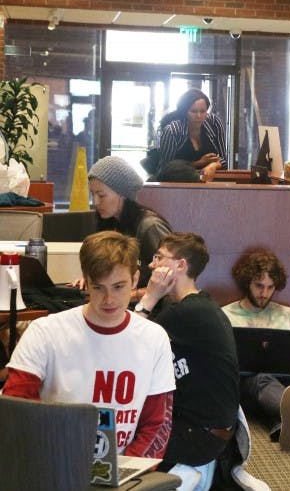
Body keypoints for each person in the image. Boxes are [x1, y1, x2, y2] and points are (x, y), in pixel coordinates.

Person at [3, 231, 175, 458]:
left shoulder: (154, 338)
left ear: (135, 280)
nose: (109, 299)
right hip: (53, 460)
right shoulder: (45, 332)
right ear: (85, 280)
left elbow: (156, 424)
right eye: (98, 287)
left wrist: (125, 471)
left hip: (125, 466)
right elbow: (16, 408)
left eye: (118, 286)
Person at [135, 232, 240, 489]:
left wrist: (150, 296)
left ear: (180, 265)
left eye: (159, 257)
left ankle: (182, 478)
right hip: (203, 427)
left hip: (199, 437)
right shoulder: (191, 307)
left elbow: (127, 345)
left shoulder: (190, 313)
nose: (151, 264)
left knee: (121, 435)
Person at [222, 248, 290, 452]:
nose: (264, 293)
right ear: (246, 282)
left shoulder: (289, 316)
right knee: (262, 378)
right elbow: (220, 368)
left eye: (270, 287)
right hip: (249, 386)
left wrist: (280, 357)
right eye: (259, 286)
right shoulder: (226, 316)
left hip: (288, 383)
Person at [87, 155, 173, 289]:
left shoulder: (150, 226)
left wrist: (134, 295)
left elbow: (171, 281)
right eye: (92, 195)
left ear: (122, 194)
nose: (96, 202)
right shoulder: (112, 223)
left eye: (101, 195)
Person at [154, 88, 227, 177]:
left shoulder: (214, 123)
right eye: (193, 111)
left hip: (211, 180)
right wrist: (199, 163)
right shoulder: (173, 131)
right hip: (178, 183)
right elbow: (165, 169)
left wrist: (213, 165)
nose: (199, 116)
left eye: (203, 111)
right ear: (184, 112)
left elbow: (224, 160)